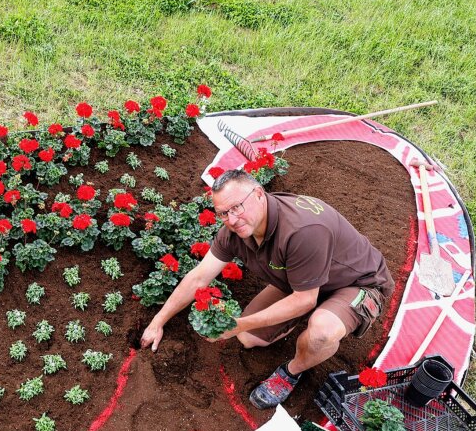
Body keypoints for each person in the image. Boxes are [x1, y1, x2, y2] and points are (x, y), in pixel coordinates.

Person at [139, 169, 394, 409]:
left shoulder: (302, 231)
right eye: (223, 213)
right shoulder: (236, 232)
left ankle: (292, 371)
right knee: (249, 338)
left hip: (357, 283)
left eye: (237, 207)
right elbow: (198, 278)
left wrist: (240, 322)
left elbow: (305, 299)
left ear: (259, 194)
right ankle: (308, 311)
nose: (232, 219)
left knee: (321, 333)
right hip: (301, 281)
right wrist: (158, 321)